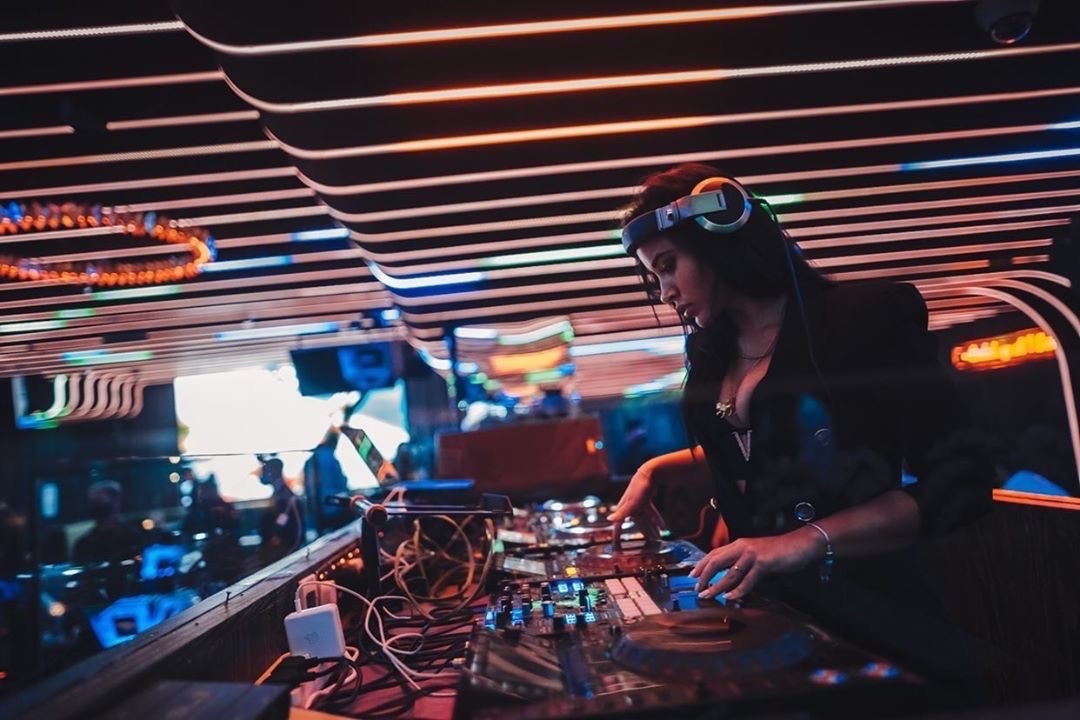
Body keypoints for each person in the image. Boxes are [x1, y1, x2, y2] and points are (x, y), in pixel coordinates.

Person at [607, 164, 994, 676]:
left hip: (874, 623)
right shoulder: (710, 352)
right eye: (655, 276)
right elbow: (765, 451)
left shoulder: (861, 319)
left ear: (720, 232)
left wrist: (803, 540)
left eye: (669, 265)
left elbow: (961, 483)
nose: (665, 292)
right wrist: (654, 469)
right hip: (767, 623)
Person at [72, 480, 145, 565]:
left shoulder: (131, 536)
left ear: (116, 501)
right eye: (92, 502)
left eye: (99, 501)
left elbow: (138, 562)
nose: (94, 506)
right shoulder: (83, 543)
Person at [303, 429, 351, 535]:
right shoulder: (330, 457)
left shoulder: (309, 462)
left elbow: (307, 489)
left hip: (316, 515)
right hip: (334, 509)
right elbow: (342, 483)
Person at [257, 457, 304, 564]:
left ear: (273, 472)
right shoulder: (280, 495)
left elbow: (296, 533)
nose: (262, 475)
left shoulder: (286, 498)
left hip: (284, 551)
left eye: (266, 471)